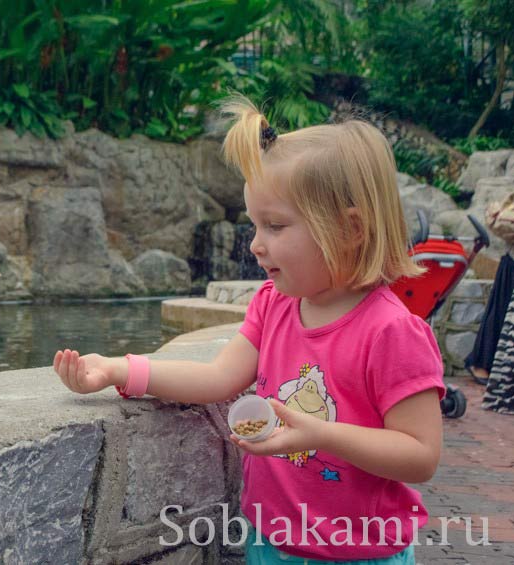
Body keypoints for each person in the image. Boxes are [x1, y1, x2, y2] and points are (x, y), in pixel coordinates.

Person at [52, 96, 445, 564]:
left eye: (275, 226)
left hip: (358, 551)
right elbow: (218, 377)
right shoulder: (274, 304)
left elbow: (420, 454)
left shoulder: (391, 333)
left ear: (350, 228)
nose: (257, 245)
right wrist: (121, 370)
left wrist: (320, 434)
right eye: (255, 225)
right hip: (270, 540)